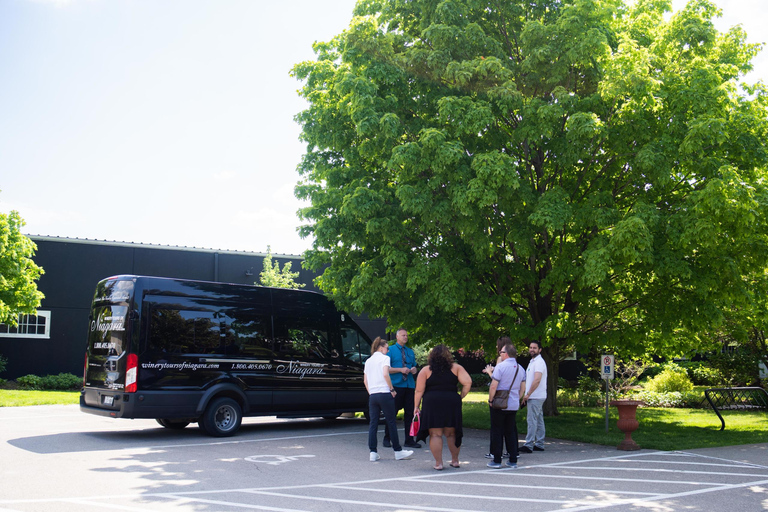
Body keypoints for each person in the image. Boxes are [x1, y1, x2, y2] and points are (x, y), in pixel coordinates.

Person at [413, 344, 472, 470]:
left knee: (435, 434)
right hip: (451, 401)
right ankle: (455, 461)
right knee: (451, 433)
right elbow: (468, 382)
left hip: (432, 402)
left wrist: (416, 406)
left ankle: (439, 463)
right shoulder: (456, 368)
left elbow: (419, 391)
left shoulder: (426, 370)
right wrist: (460, 396)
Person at [363, 337, 414, 462]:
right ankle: (397, 451)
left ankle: (373, 452)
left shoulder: (368, 361)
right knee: (391, 421)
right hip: (385, 393)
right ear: (381, 348)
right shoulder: (385, 358)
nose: (387, 350)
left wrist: (371, 392)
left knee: (373, 423)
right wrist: (391, 389)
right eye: (386, 347)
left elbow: (365, 380)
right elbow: (386, 374)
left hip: (373, 394)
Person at [486, 342, 526, 468]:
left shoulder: (501, 367)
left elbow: (493, 386)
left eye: (502, 352)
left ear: (506, 354)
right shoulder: (521, 368)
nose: (500, 354)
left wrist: (491, 400)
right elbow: (522, 388)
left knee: (497, 431)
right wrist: (517, 399)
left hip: (500, 403)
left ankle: (497, 460)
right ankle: (513, 459)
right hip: (513, 404)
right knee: (510, 432)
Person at [382, 328, 421, 449]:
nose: (406, 337)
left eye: (407, 335)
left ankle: (409, 440)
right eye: (403, 335)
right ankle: (387, 438)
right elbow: (386, 369)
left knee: (410, 413)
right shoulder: (391, 350)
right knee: (392, 413)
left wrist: (414, 370)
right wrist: (400, 370)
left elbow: (414, 365)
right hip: (397, 385)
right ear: (397, 337)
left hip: (409, 385)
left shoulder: (410, 351)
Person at [483, 336, 512, 460]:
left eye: (498, 345)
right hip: (511, 396)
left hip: (499, 396)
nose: (496, 347)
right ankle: (512, 451)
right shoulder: (513, 361)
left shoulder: (500, 359)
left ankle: (494, 452)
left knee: (496, 426)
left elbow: (496, 380)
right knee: (510, 427)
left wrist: (490, 371)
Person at [520, 340, 548, 453]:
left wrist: (528, 394)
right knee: (539, 420)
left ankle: (529, 444)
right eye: (530, 347)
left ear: (540, 350)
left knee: (532, 420)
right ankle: (540, 443)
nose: (532, 349)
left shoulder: (539, 362)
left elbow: (537, 380)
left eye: (534, 348)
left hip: (535, 396)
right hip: (536, 395)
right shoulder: (532, 362)